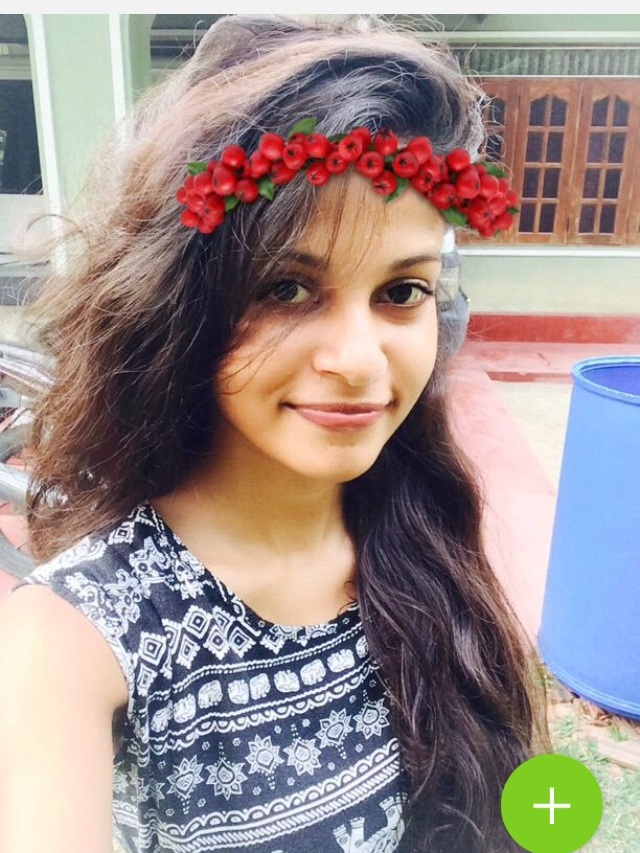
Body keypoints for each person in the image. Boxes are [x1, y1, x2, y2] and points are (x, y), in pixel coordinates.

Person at [0, 14, 549, 853]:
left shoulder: (422, 527)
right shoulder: (75, 635)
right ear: (180, 305)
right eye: (287, 288)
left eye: (401, 292)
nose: (359, 361)